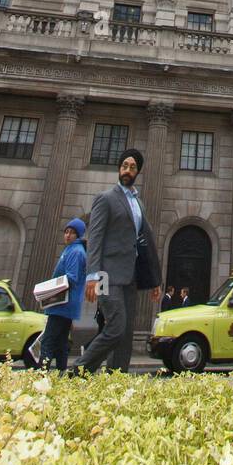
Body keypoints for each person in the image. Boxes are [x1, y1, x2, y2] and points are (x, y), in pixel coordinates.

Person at [70, 148, 161, 375]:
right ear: (119, 169)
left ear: (137, 171)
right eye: (124, 166)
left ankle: (115, 380)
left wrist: (155, 279)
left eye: (132, 167)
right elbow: (95, 238)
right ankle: (78, 370)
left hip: (130, 276)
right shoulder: (106, 198)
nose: (127, 170)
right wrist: (92, 276)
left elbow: (147, 241)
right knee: (116, 327)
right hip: (105, 276)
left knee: (126, 333)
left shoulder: (139, 204)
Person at [39, 218, 87, 371]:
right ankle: (61, 373)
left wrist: (49, 288)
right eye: (66, 232)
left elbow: (72, 277)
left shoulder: (75, 252)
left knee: (47, 341)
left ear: (78, 235)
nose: (67, 235)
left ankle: (41, 376)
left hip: (62, 303)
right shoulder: (72, 250)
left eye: (72, 233)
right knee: (61, 343)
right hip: (64, 304)